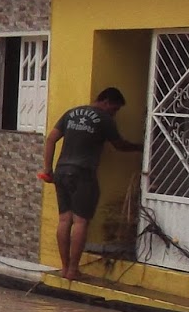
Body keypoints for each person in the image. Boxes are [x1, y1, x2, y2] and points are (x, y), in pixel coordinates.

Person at [41, 86, 142, 280]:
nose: (114, 113)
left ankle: (64, 269)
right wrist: (140, 147)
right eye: (114, 109)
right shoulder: (105, 119)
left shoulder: (71, 114)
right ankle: (72, 270)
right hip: (83, 173)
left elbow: (51, 139)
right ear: (106, 101)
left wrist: (47, 168)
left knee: (64, 220)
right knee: (80, 221)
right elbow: (119, 145)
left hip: (61, 171)